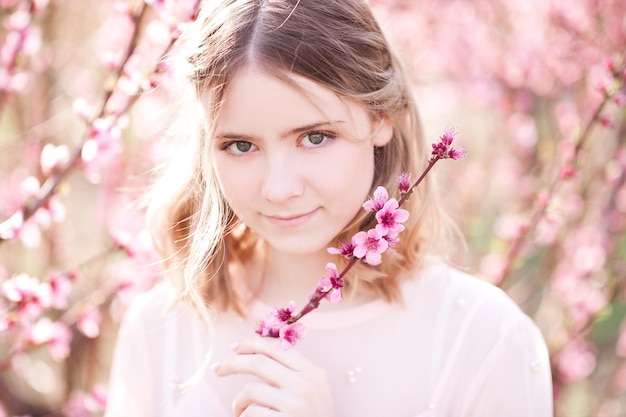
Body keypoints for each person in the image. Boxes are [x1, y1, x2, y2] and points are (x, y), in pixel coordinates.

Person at [104, 0, 553, 416]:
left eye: (315, 137)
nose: (278, 189)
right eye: (240, 145)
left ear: (382, 119)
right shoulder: (160, 330)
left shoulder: (484, 339)